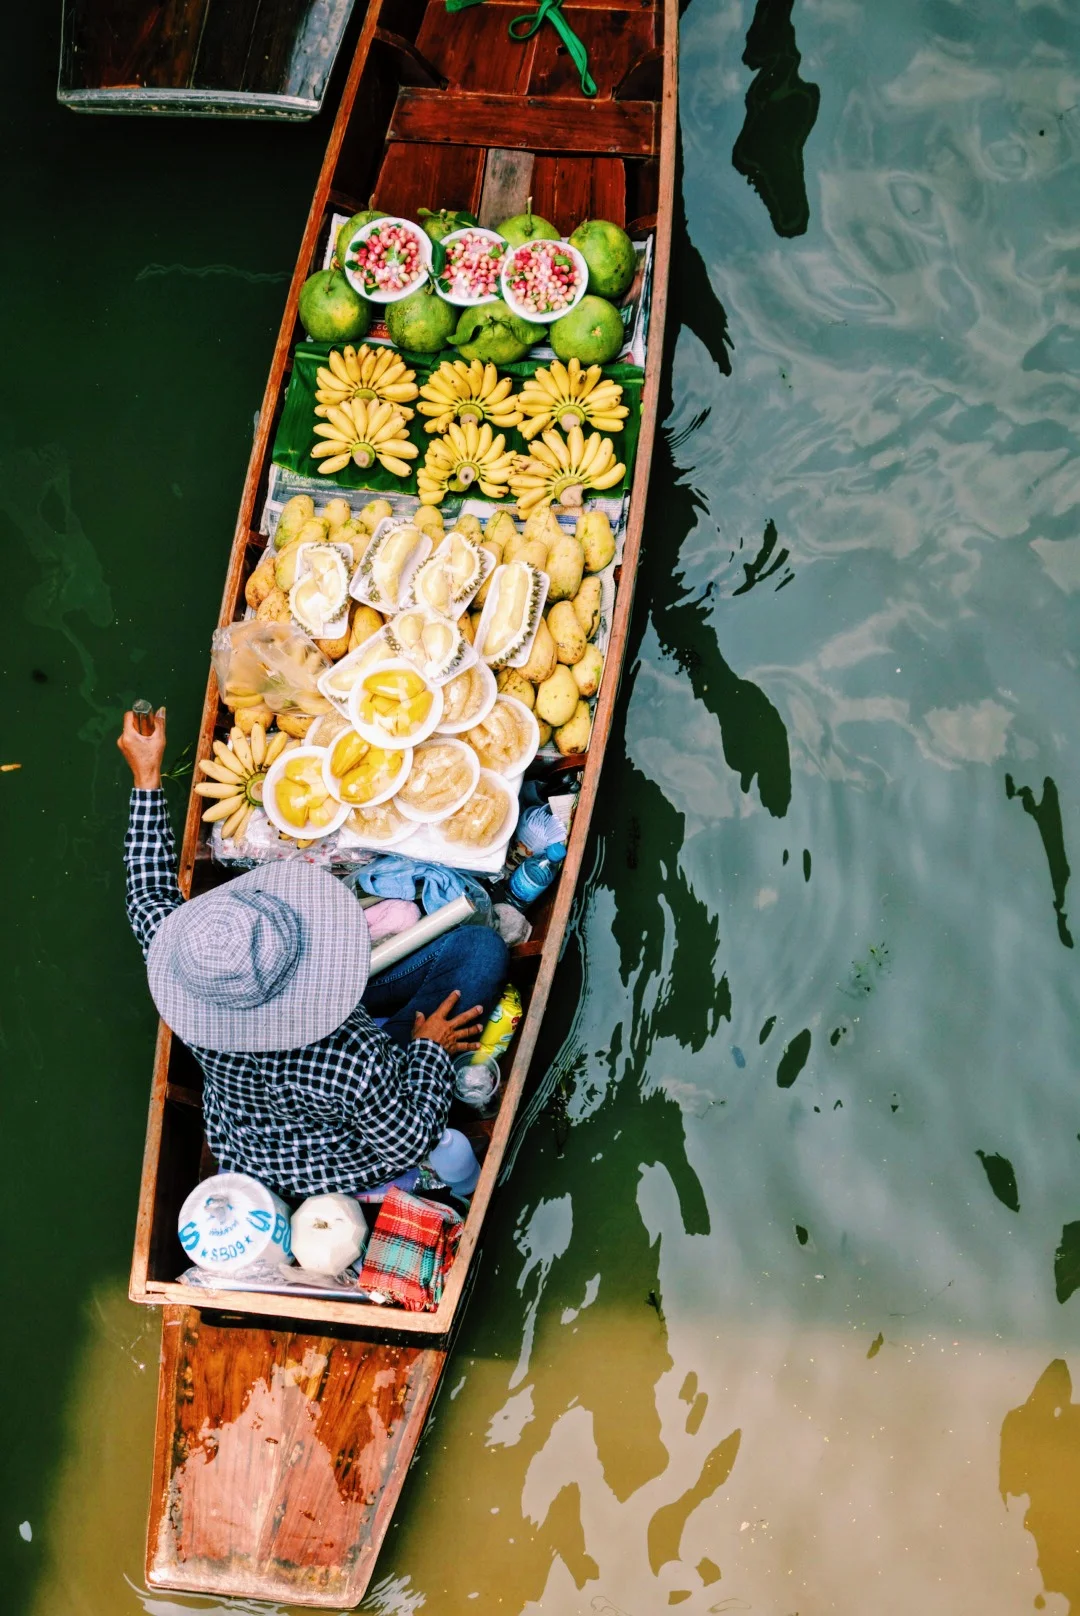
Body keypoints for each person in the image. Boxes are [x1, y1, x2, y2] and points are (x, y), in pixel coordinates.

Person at [118, 707, 509, 1200]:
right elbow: (408, 1142)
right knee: (482, 951)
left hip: (246, 1144)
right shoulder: (351, 1055)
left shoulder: (188, 962)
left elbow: (147, 892)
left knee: (463, 955)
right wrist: (429, 1050)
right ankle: (417, 1045)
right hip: (334, 1160)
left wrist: (146, 775)